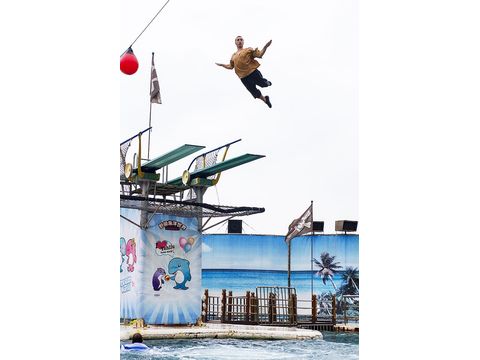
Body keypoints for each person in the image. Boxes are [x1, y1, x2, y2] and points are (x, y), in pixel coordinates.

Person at [216, 36, 273, 108]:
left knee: (263, 84)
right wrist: (222, 65)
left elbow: (260, 54)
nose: (239, 41)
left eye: (241, 40)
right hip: (244, 78)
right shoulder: (233, 56)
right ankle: (265, 99)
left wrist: (265, 47)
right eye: (238, 40)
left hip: (252, 72)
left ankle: (266, 82)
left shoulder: (248, 50)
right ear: (235, 42)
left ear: (243, 42)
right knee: (254, 92)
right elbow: (230, 66)